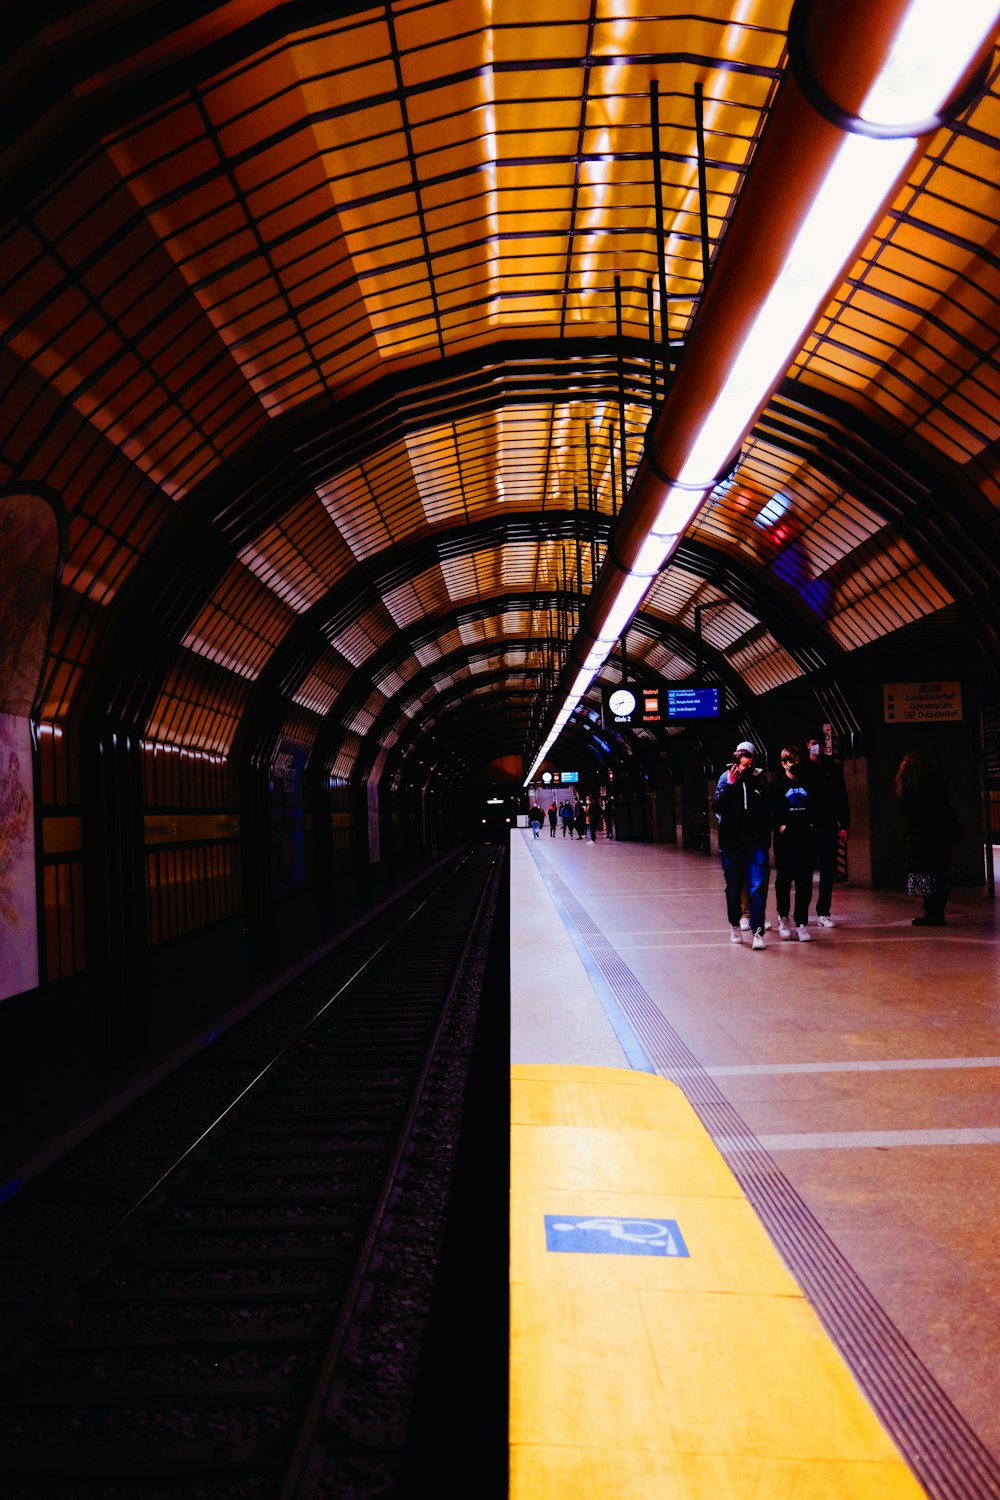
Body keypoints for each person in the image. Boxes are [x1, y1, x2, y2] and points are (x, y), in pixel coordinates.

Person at [713, 740, 771, 949]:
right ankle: (734, 924)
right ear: (736, 764)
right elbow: (717, 806)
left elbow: (767, 808)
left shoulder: (759, 780)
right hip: (732, 845)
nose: (747, 770)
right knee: (734, 887)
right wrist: (730, 783)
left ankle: (757, 931)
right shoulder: (726, 779)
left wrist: (765, 838)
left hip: (755, 844)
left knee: (756, 888)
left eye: (750, 765)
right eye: (743, 766)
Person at [895, 752, 962, 926]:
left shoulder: (912, 788)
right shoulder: (939, 785)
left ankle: (932, 913)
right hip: (940, 837)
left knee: (926, 877)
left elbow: (904, 809)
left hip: (922, 838)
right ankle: (938, 912)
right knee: (940, 874)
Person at [767, 745, 816, 941]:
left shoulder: (810, 784)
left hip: (806, 839)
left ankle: (802, 923)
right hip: (785, 842)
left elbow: (818, 806)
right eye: (791, 761)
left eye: (798, 761)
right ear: (783, 763)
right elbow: (767, 811)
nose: (795, 765)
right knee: (784, 881)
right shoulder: (777, 786)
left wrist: (812, 826)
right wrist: (779, 827)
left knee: (805, 882)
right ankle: (783, 917)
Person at [804, 733, 850, 927]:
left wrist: (844, 825)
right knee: (804, 870)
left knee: (828, 870)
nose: (818, 747)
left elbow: (842, 797)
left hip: (829, 825)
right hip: (807, 826)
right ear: (808, 745)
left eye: (821, 744)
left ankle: (824, 912)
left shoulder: (833, 768)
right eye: (815, 743)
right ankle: (801, 914)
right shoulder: (802, 769)